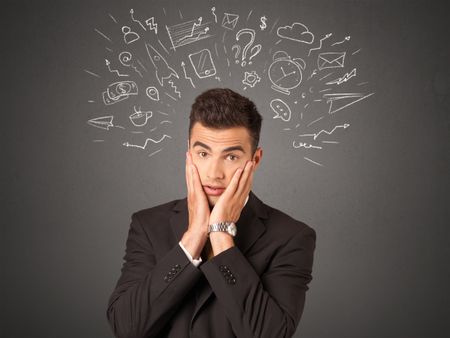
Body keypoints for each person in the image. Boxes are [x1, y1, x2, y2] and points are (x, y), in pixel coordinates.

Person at [106, 88, 317, 338]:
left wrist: (220, 235)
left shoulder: (291, 237)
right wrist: (193, 237)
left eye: (231, 157)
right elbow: (127, 329)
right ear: (188, 154)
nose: (214, 173)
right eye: (203, 153)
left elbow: (269, 334)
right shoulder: (147, 225)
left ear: (255, 160)